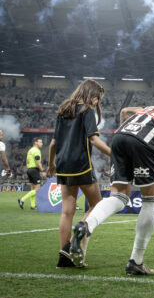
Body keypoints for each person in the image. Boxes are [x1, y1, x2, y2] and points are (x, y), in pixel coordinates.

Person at [70, 105, 154, 275]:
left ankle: (86, 225)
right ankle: (136, 261)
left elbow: (125, 111)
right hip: (147, 141)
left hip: (120, 136)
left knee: (118, 196)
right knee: (151, 200)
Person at [47, 79, 111, 268]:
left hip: (64, 165)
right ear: (91, 95)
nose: (97, 102)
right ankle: (78, 234)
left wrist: (52, 163)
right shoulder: (87, 110)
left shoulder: (63, 110)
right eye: (97, 98)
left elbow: (53, 144)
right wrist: (115, 154)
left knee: (67, 211)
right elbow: (94, 139)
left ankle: (64, 256)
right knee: (97, 205)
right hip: (81, 165)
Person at [18, 137, 45, 210]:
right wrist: (42, 171)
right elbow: (38, 162)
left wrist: (29, 169)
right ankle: (22, 199)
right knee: (37, 189)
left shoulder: (30, 150)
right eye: (40, 142)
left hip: (29, 169)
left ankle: (33, 205)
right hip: (34, 170)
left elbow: (27, 161)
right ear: (36, 142)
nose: (41, 143)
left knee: (32, 188)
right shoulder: (37, 151)